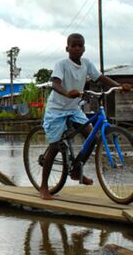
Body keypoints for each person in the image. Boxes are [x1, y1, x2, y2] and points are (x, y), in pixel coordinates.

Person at [40, 33, 131, 200]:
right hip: (57, 110)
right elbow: (55, 83)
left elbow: (101, 77)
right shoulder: (62, 64)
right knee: (54, 147)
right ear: (67, 48)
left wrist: (119, 86)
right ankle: (44, 187)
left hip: (74, 109)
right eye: (73, 45)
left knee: (93, 138)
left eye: (80, 45)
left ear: (84, 49)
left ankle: (76, 171)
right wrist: (67, 93)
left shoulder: (87, 63)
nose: (76, 48)